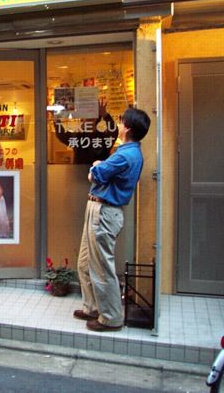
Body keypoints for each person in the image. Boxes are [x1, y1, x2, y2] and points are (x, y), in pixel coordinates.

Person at [74, 108, 151, 332]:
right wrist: (99, 165)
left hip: (104, 211)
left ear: (127, 128)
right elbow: (102, 171)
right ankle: (92, 307)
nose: (118, 125)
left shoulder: (125, 155)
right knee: (85, 262)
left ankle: (111, 317)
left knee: (101, 267)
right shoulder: (128, 152)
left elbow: (94, 175)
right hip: (100, 208)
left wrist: (97, 166)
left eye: (121, 121)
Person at [53, 99, 119, 165]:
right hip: (81, 171)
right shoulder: (77, 136)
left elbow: (114, 131)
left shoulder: (103, 138)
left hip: (98, 171)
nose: (89, 115)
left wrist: (105, 115)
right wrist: (56, 115)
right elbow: (61, 134)